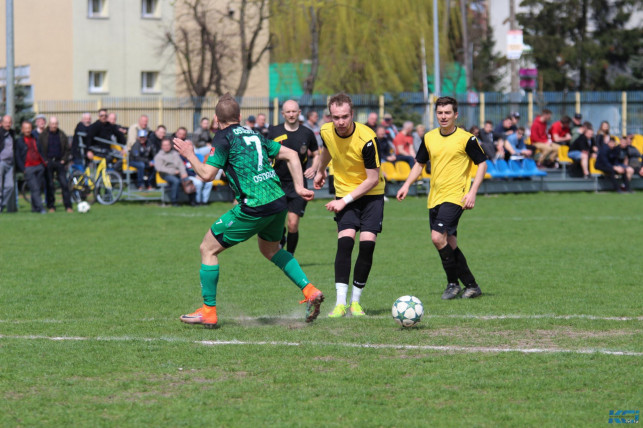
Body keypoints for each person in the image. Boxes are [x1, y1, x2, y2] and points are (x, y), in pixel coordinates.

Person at [172, 93, 324, 328]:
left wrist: (189, 154)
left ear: (216, 119)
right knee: (270, 250)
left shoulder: (223, 137)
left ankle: (208, 311)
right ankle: (310, 290)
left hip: (254, 206)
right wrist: (299, 187)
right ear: (240, 116)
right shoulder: (253, 133)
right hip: (278, 201)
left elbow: (207, 175)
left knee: (207, 249)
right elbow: (292, 154)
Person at [397, 96, 487, 300]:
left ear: (456, 115)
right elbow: (419, 164)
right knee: (449, 242)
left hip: (456, 196)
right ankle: (471, 285)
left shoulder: (466, 139)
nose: (443, 116)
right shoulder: (429, 137)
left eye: (447, 113)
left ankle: (452, 284)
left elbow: (482, 164)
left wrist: (472, 191)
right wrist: (406, 184)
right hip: (435, 197)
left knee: (437, 238)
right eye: (440, 113)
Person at [313, 93, 386, 318]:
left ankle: (355, 302)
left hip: (371, 194)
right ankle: (340, 304)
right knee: (345, 243)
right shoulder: (326, 131)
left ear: (352, 114)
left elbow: (372, 179)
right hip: (344, 192)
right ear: (330, 116)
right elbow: (328, 150)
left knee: (367, 245)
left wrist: (342, 201)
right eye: (336, 117)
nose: (341, 122)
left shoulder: (367, 139)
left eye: (345, 116)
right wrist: (320, 170)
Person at [268, 100, 319, 255]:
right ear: (282, 114)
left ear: (299, 113)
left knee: (293, 224)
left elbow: (317, 154)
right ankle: (281, 238)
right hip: (277, 183)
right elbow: (265, 153)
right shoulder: (274, 131)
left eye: (294, 111)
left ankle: (289, 257)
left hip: (298, 184)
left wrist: (313, 168)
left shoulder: (307, 133)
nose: (291, 114)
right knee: (276, 222)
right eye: (288, 112)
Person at [39, 117, 73, 213]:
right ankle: (51, 206)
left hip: (59, 162)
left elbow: (67, 149)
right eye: (52, 124)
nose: (54, 126)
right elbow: (40, 149)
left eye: (56, 124)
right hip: (48, 162)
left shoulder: (62, 134)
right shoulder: (43, 135)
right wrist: (45, 160)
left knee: (64, 184)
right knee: (50, 185)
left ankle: (68, 206)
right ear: (49, 124)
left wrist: (64, 160)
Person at [16, 121, 47, 213]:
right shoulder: (20, 141)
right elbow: (17, 156)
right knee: (35, 188)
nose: (28, 130)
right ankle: (41, 208)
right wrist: (23, 169)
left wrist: (43, 163)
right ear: (22, 130)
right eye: (26, 128)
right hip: (28, 168)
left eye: (29, 128)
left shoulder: (35, 139)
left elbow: (40, 151)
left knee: (37, 188)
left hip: (39, 166)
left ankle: (34, 208)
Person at [154, 137, 189, 206]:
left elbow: (180, 164)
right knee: (176, 181)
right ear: (162, 146)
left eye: (168, 145)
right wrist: (173, 171)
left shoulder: (175, 153)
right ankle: (174, 201)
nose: (166, 147)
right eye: (164, 145)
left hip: (177, 173)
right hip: (165, 174)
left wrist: (184, 173)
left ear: (170, 145)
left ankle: (193, 201)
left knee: (188, 180)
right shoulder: (159, 156)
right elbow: (159, 168)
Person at [0, 115, 18, 213]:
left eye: (9, 122)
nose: (8, 124)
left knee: (10, 186)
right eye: (6, 122)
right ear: (2, 123)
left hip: (10, 164)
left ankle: (2, 205)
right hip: (1, 162)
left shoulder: (12, 133)